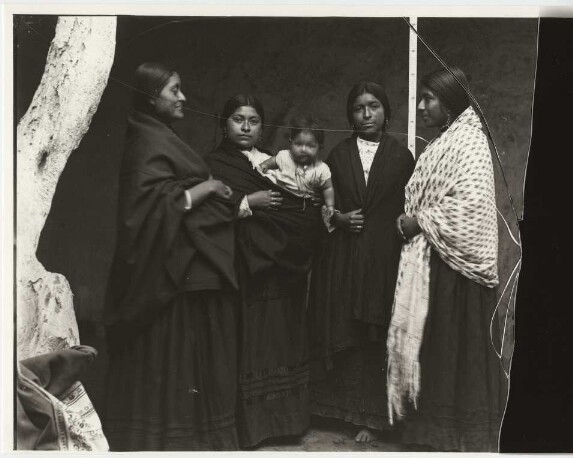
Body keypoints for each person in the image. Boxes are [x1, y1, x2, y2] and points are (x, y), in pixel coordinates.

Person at [103, 62, 241, 451]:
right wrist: (209, 187)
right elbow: (150, 207)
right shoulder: (146, 140)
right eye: (174, 91)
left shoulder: (159, 135)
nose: (183, 98)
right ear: (151, 97)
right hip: (163, 274)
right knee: (167, 355)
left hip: (182, 269)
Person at [386, 67, 507, 452]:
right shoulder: (444, 141)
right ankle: (431, 436)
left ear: (451, 102)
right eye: (420, 98)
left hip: (459, 273)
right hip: (434, 267)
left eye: (429, 98)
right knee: (436, 351)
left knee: (458, 350)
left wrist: (418, 220)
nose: (421, 106)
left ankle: (459, 436)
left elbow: (469, 207)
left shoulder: (469, 142)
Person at [208, 95, 324, 448]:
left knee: (283, 339)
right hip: (247, 267)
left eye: (254, 120)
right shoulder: (214, 163)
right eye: (238, 119)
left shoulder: (280, 163)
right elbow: (208, 213)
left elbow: (304, 202)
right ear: (224, 124)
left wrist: (308, 209)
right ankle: (253, 428)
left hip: (284, 267)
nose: (245, 127)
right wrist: (248, 203)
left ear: (263, 126)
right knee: (252, 343)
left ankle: (288, 423)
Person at [308, 82, 415, 443]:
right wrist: (337, 218)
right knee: (347, 333)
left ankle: (373, 418)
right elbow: (319, 203)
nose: (366, 115)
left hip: (385, 260)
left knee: (377, 336)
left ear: (386, 111)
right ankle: (342, 413)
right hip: (344, 258)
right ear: (349, 115)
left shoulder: (402, 158)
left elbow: (409, 209)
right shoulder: (337, 156)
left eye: (374, 107)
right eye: (358, 108)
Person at [258, 116, 335, 216]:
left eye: (310, 146)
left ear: (319, 148)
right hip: (280, 196)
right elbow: (274, 161)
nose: (303, 149)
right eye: (298, 144)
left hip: (302, 204)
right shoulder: (285, 156)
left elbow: (327, 188)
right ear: (290, 143)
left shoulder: (322, 169)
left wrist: (330, 206)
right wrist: (265, 165)